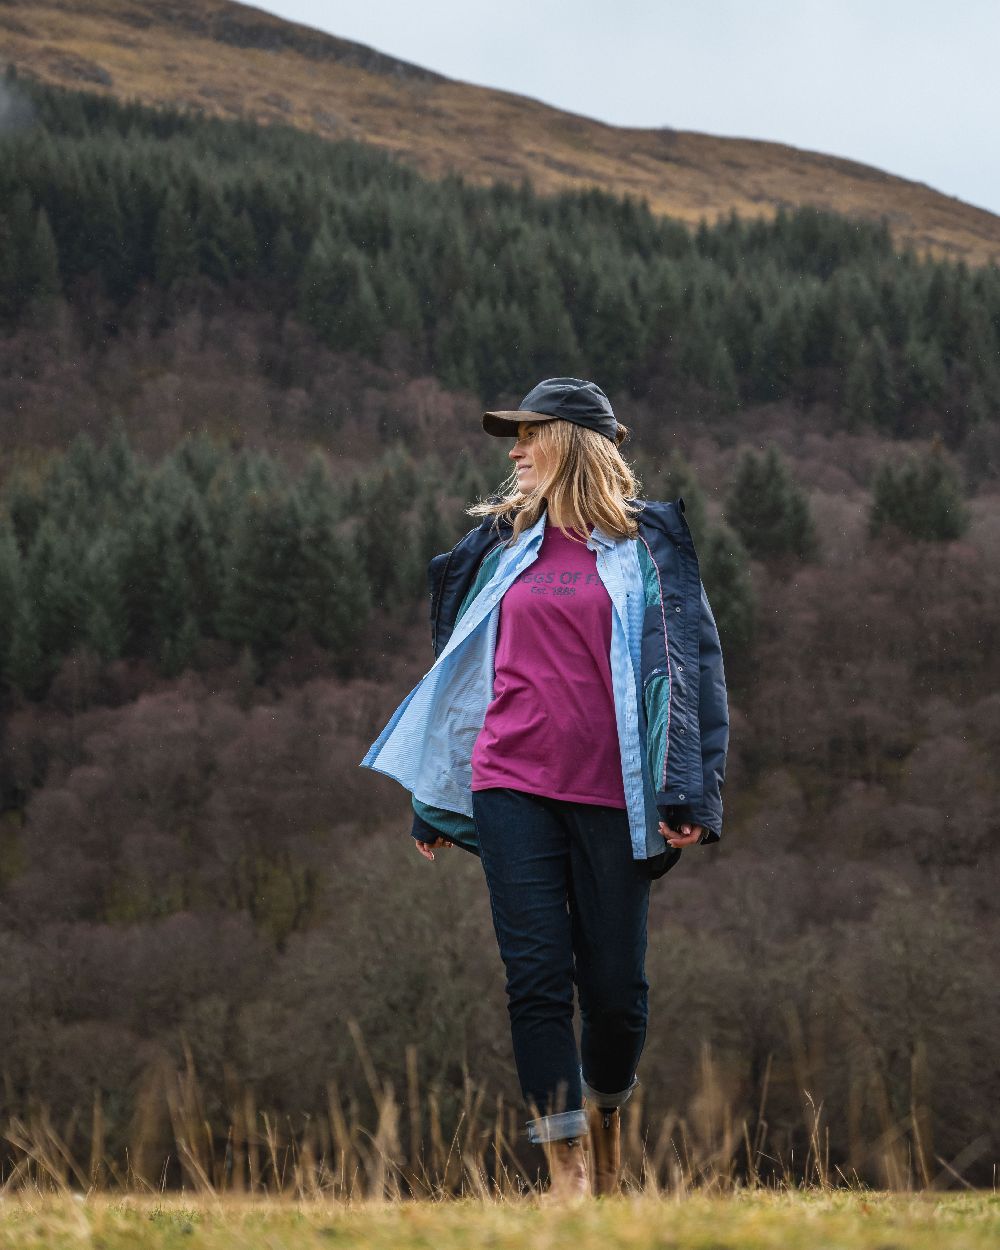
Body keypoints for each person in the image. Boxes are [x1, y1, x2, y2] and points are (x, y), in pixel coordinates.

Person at [361, 377, 729, 1201]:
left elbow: (696, 674)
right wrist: (434, 799)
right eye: (513, 440)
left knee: (615, 994)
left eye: (530, 437)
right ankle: (565, 1177)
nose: (516, 453)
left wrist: (694, 798)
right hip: (509, 785)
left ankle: (603, 1128)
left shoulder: (648, 550)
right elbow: (460, 679)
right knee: (533, 977)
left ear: (571, 444)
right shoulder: (499, 549)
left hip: (616, 796)